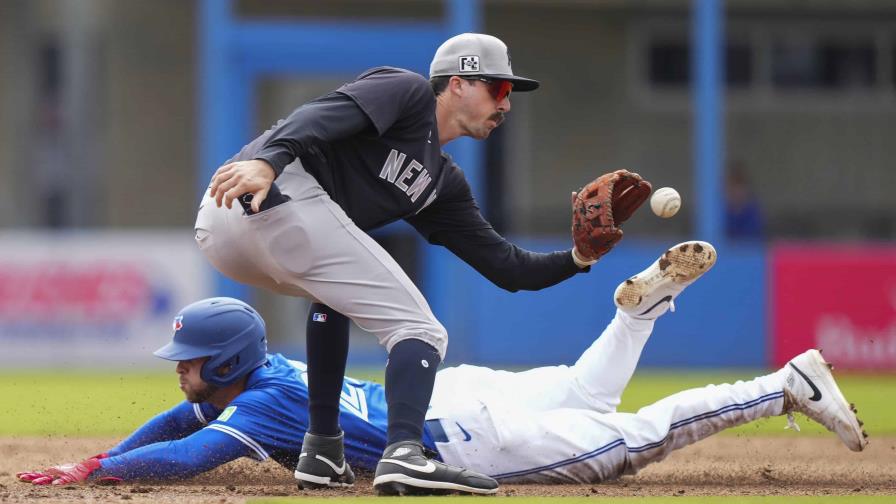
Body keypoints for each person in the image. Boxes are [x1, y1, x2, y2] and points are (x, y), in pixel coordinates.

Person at [17, 241, 868, 491]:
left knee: (630, 440)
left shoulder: (260, 409)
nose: (180, 373)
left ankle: (783, 383)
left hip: (465, 437)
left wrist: (98, 470)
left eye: (190, 363)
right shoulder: (264, 380)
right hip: (450, 394)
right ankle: (640, 312)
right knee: (582, 387)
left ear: (225, 364)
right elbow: (178, 424)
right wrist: (105, 456)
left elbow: (188, 452)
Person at [193, 32, 649, 495]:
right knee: (422, 331)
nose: (506, 105)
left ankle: (323, 450)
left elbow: (508, 268)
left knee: (334, 297)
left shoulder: (441, 182)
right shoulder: (407, 91)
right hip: (265, 188)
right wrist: (270, 162)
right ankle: (405, 455)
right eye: (499, 88)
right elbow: (317, 116)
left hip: (230, 233)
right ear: (457, 83)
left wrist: (580, 257)